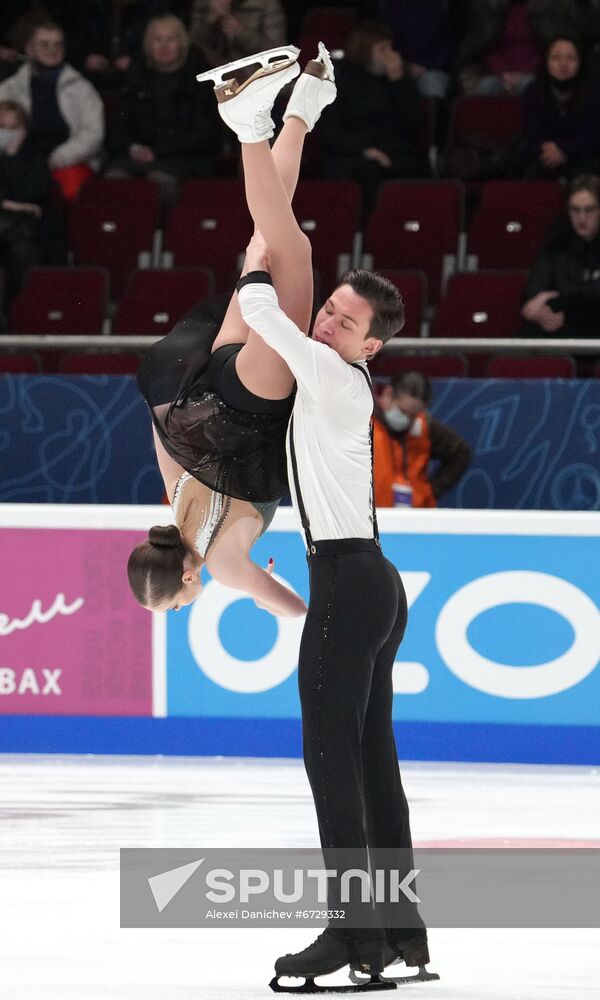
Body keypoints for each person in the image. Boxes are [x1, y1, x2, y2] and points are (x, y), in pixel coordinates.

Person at [200, 46, 436, 988]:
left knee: (328, 755)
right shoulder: (334, 370)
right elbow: (279, 305)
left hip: (347, 581)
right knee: (371, 759)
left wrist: (261, 266)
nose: (331, 319)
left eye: (345, 319)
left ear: (370, 345)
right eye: (332, 308)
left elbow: (266, 306)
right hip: (366, 581)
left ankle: (352, 933)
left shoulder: (337, 376)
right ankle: (400, 933)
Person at [127, 42, 337, 620]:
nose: (183, 607)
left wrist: (254, 587)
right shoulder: (174, 508)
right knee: (268, 241)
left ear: (188, 577)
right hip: (206, 386)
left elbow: (297, 610)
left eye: (176, 605)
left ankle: (248, 123)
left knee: (291, 247)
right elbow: (162, 427)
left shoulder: (220, 565)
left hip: (251, 401)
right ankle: (307, 104)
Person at [105, 14, 220, 205]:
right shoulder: (135, 77)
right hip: (139, 154)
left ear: (181, 42)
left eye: (170, 39)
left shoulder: (200, 79)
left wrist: (158, 152)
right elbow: (117, 128)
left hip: (184, 158)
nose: (164, 46)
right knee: (114, 178)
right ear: (148, 44)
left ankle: (160, 233)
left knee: (158, 183)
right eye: (157, 40)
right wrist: (132, 148)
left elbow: (205, 134)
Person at [317, 20, 425, 212]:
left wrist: (399, 83)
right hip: (353, 154)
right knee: (371, 176)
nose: (390, 55)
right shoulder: (340, 80)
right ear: (366, 50)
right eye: (382, 49)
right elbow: (331, 131)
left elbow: (412, 125)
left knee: (415, 170)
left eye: (390, 48)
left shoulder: (397, 81)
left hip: (392, 150)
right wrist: (365, 150)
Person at [0, 20, 104, 201]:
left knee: (65, 193)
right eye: (44, 44)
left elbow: (93, 134)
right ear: (29, 49)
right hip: (18, 158)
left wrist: (56, 159)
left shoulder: (82, 88)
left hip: (66, 160)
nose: (52, 50)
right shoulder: (10, 88)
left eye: (58, 44)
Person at [373, 370, 471, 508]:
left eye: (413, 415)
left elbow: (461, 452)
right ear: (388, 394)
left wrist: (430, 491)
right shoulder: (362, 423)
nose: (406, 419)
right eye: (402, 411)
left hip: (415, 516)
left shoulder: (424, 426)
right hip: (370, 517)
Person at [509, 36, 600, 179]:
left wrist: (563, 149)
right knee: (529, 170)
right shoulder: (533, 92)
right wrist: (551, 151)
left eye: (571, 58)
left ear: (581, 63)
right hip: (544, 156)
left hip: (584, 157)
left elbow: (591, 137)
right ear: (546, 62)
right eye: (556, 58)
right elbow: (533, 135)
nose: (564, 64)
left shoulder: (594, 93)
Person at [521, 173, 600, 338]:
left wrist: (552, 296)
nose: (582, 218)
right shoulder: (557, 243)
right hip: (561, 327)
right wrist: (539, 308)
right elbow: (534, 291)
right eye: (575, 210)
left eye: (589, 210)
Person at [455, 0, 587, 96]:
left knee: (529, 87)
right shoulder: (487, 7)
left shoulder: (552, 6)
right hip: (493, 72)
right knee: (486, 87)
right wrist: (502, 72)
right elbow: (485, 48)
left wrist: (528, 72)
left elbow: (551, 48)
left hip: (538, 72)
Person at [0, 98, 51, 298]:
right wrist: (9, 204)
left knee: (23, 251)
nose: (7, 133)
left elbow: (31, 193)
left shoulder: (36, 157)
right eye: (2, 127)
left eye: (14, 127)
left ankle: (21, 316)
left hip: (23, 229)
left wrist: (11, 157)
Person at [189, 0, 286, 69]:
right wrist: (211, 18)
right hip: (211, 72)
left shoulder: (265, 4)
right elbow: (192, 46)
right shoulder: (204, 3)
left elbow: (277, 54)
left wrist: (241, 33)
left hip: (254, 75)